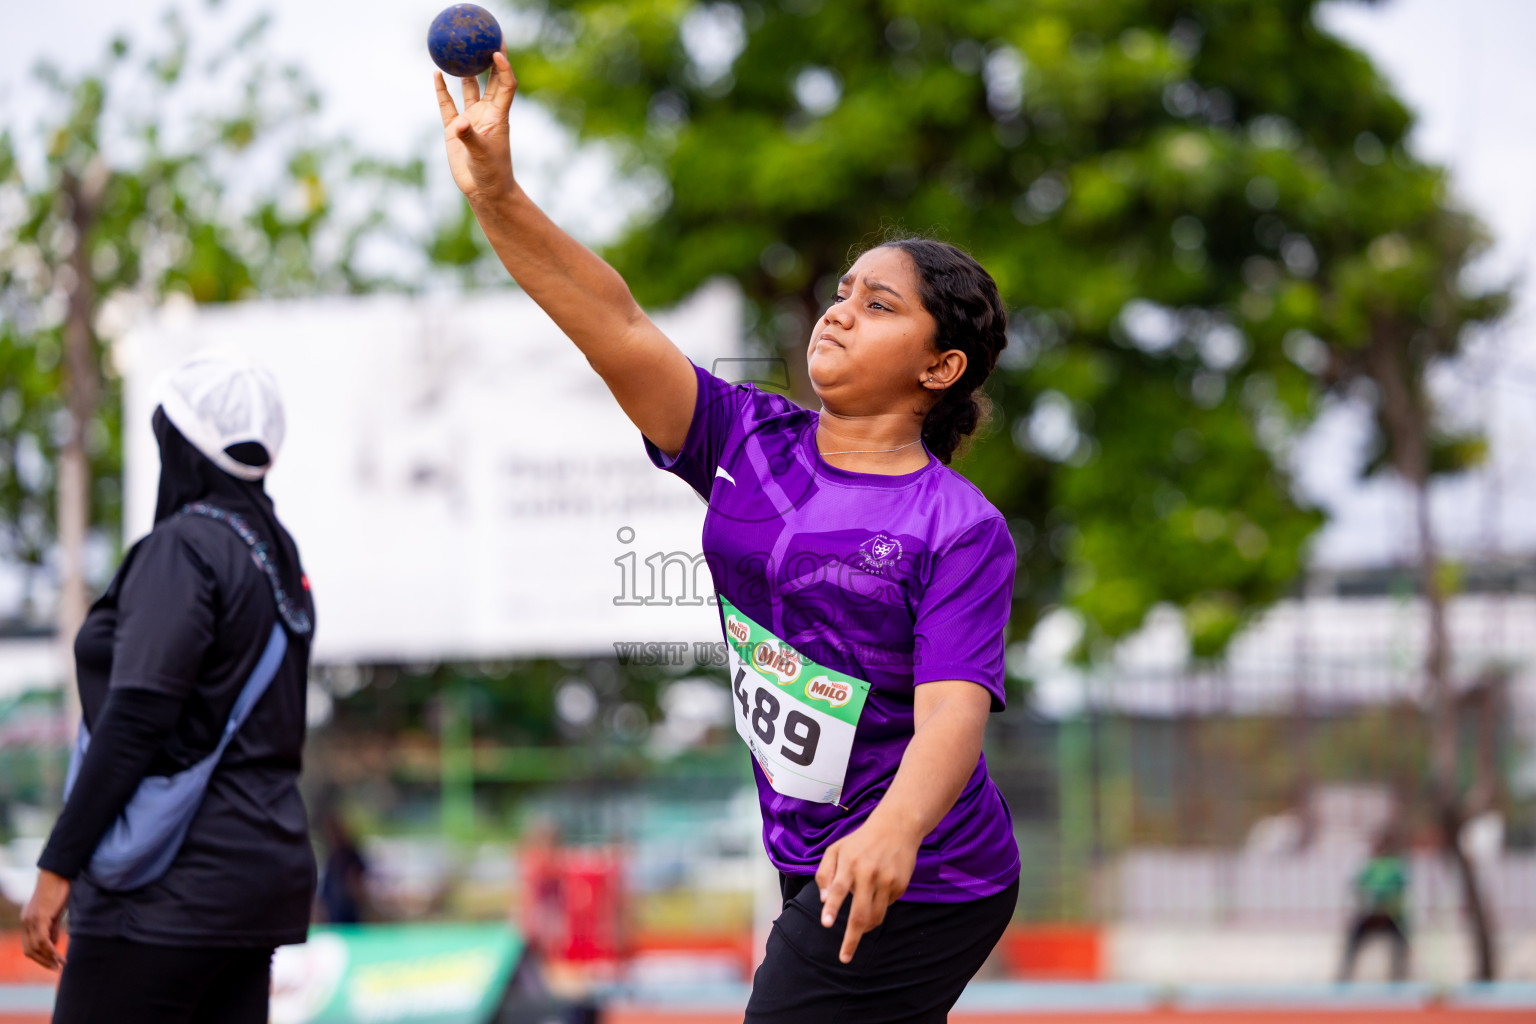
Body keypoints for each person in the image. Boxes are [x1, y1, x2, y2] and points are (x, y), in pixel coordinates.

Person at [434, 54, 1020, 1021]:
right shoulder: (748, 440)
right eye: (844, 289)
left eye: (880, 305)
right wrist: (497, 193)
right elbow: (613, 323)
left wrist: (894, 833)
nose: (840, 308)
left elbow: (951, 717)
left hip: (927, 873)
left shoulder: (958, 528)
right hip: (811, 856)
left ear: (940, 366)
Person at [21, 353, 317, 1024]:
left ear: (184, 449)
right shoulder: (278, 556)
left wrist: (58, 865)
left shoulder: (183, 550)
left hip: (164, 893)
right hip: (259, 881)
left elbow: (137, 715)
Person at [1338, 830, 1411, 982]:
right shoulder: (1370, 866)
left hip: (1390, 914)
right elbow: (1358, 886)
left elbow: (1401, 889)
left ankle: (1400, 976)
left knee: (1401, 944)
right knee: (1353, 942)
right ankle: (1344, 976)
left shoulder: (1395, 866)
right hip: (1371, 914)